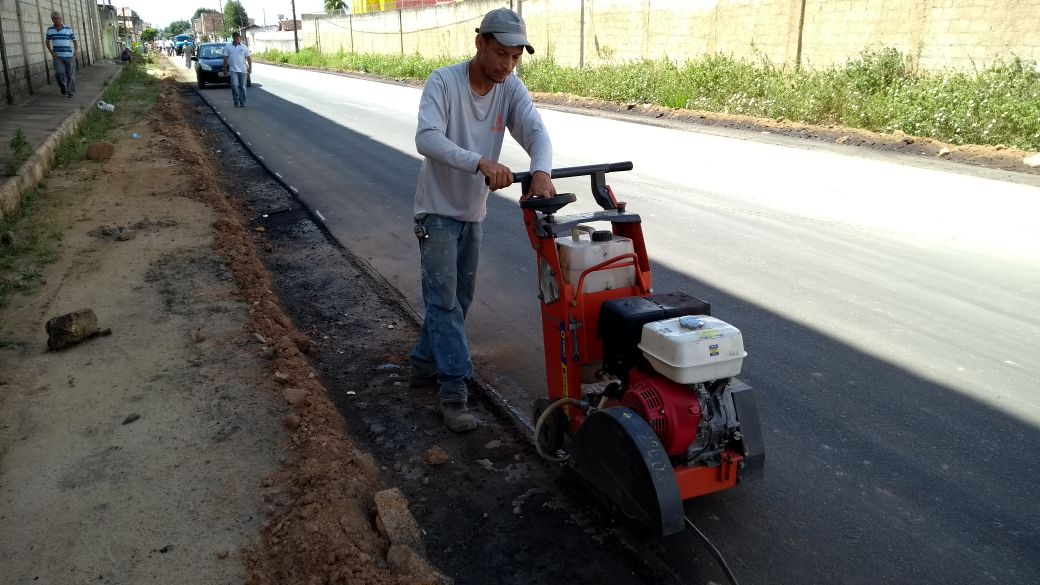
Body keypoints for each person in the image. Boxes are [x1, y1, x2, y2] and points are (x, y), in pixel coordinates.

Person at [409, 8, 556, 433]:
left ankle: (421, 364)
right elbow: (426, 137)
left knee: (459, 303)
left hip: (472, 214)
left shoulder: (509, 87)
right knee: (445, 304)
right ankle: (453, 394)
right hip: (435, 212)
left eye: (515, 57)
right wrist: (480, 163)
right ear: (479, 43)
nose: (507, 65)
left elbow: (535, 132)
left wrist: (541, 170)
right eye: (500, 54)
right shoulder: (444, 82)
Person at [44, 11, 78, 98]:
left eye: (58, 18)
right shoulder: (50, 30)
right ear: (52, 19)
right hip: (57, 56)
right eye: (54, 19)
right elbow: (47, 42)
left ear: (61, 19)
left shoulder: (68, 29)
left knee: (70, 75)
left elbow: (74, 41)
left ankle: (70, 92)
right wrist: (51, 52)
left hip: (69, 56)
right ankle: (63, 87)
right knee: (59, 73)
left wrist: (76, 51)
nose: (56, 20)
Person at [222, 32, 252, 108]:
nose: (236, 39)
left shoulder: (244, 47)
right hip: (233, 70)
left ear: (240, 38)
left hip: (243, 70)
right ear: (232, 38)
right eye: (234, 38)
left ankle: (242, 102)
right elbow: (225, 58)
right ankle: (236, 101)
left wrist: (250, 68)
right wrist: (225, 69)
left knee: (242, 87)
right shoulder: (228, 46)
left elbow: (248, 58)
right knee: (234, 85)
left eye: (237, 37)